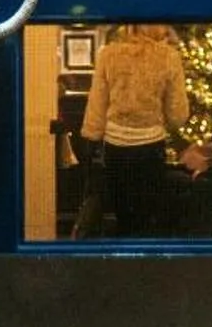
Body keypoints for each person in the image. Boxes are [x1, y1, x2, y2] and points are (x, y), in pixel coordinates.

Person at [79, 23, 189, 238]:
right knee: (147, 214)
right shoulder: (168, 56)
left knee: (123, 213)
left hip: (116, 146)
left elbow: (97, 103)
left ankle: (125, 253)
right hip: (150, 146)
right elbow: (178, 114)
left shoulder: (108, 54)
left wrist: (92, 136)